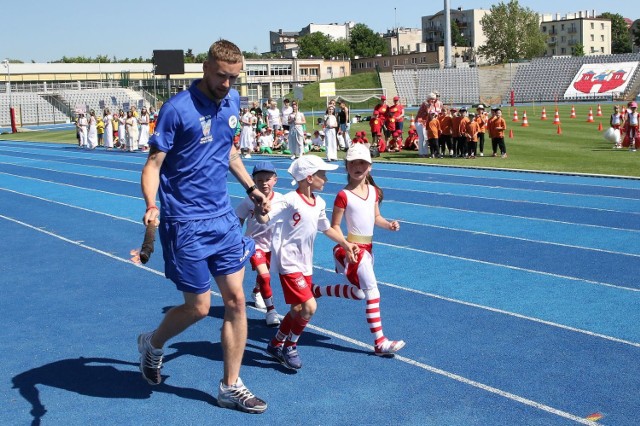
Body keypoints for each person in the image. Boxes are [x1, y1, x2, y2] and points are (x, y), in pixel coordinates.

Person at [138, 39, 268, 414]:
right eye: (222, 76)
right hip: (186, 223)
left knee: (236, 301)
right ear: (205, 69)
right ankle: (153, 343)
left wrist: (250, 188)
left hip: (223, 219)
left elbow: (228, 150)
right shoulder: (176, 109)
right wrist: (151, 204)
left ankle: (231, 386)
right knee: (197, 307)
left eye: (234, 77)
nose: (228, 84)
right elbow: (152, 165)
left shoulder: (232, 100)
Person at [257, 155, 358, 370]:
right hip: (288, 263)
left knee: (297, 308)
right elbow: (264, 218)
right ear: (309, 178)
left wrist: (346, 243)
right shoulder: (290, 200)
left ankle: (275, 343)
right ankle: (290, 346)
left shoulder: (319, 202)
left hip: (305, 263)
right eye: (323, 175)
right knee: (310, 307)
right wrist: (261, 210)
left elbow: (326, 228)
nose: (326, 179)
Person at [312, 144, 405, 356]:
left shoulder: (373, 191)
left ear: (370, 166)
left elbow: (376, 218)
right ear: (346, 167)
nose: (358, 166)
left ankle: (317, 290)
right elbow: (334, 226)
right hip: (352, 249)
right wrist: (346, 245)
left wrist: (388, 224)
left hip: (368, 248)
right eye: (353, 162)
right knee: (373, 291)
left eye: (362, 162)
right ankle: (380, 342)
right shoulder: (343, 195)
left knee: (360, 293)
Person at [235, 161, 283, 326]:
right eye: (259, 180)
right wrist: (236, 238)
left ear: (275, 180)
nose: (264, 183)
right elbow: (238, 218)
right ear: (253, 181)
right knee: (264, 275)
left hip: (274, 245)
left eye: (268, 179)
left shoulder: (282, 200)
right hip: (254, 244)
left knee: (264, 276)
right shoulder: (248, 201)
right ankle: (271, 311)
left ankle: (257, 292)